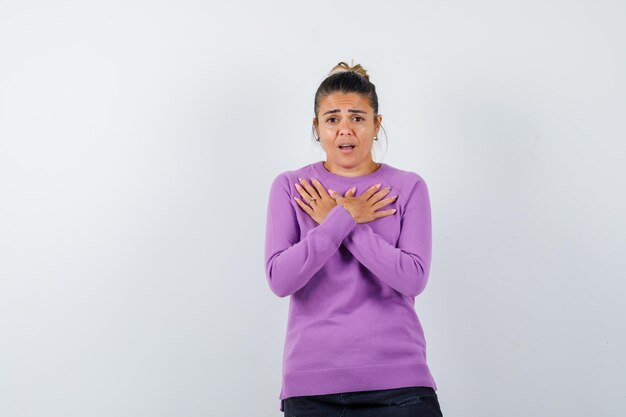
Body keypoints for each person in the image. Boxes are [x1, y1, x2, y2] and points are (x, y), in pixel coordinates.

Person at [264, 62, 443, 417]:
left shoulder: (408, 187)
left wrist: (341, 221)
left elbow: (412, 277)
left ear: (377, 124)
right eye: (332, 118)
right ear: (316, 127)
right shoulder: (292, 187)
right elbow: (280, 280)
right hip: (312, 385)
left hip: (400, 385)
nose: (345, 128)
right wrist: (344, 217)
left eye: (357, 117)